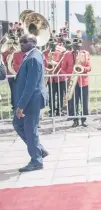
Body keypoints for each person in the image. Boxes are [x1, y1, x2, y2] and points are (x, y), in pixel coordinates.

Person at [12, 34, 49, 172]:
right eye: (20, 41)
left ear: (33, 42)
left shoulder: (33, 57)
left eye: (24, 41)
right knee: (17, 124)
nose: (21, 43)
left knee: (30, 130)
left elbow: (31, 85)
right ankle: (38, 150)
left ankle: (36, 161)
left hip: (30, 101)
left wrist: (21, 106)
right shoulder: (30, 55)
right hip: (29, 100)